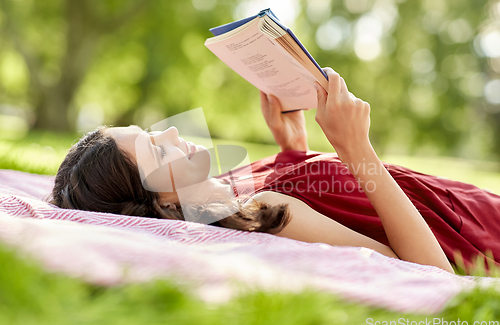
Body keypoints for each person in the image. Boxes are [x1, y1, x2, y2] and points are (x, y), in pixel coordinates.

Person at [51, 68, 500, 275]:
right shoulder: (261, 211)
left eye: (151, 130)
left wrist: (293, 149)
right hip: (480, 232)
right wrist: (356, 148)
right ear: (163, 203)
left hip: (469, 202)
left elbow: (332, 206)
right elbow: (428, 269)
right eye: (154, 148)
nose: (170, 129)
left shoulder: (231, 192)